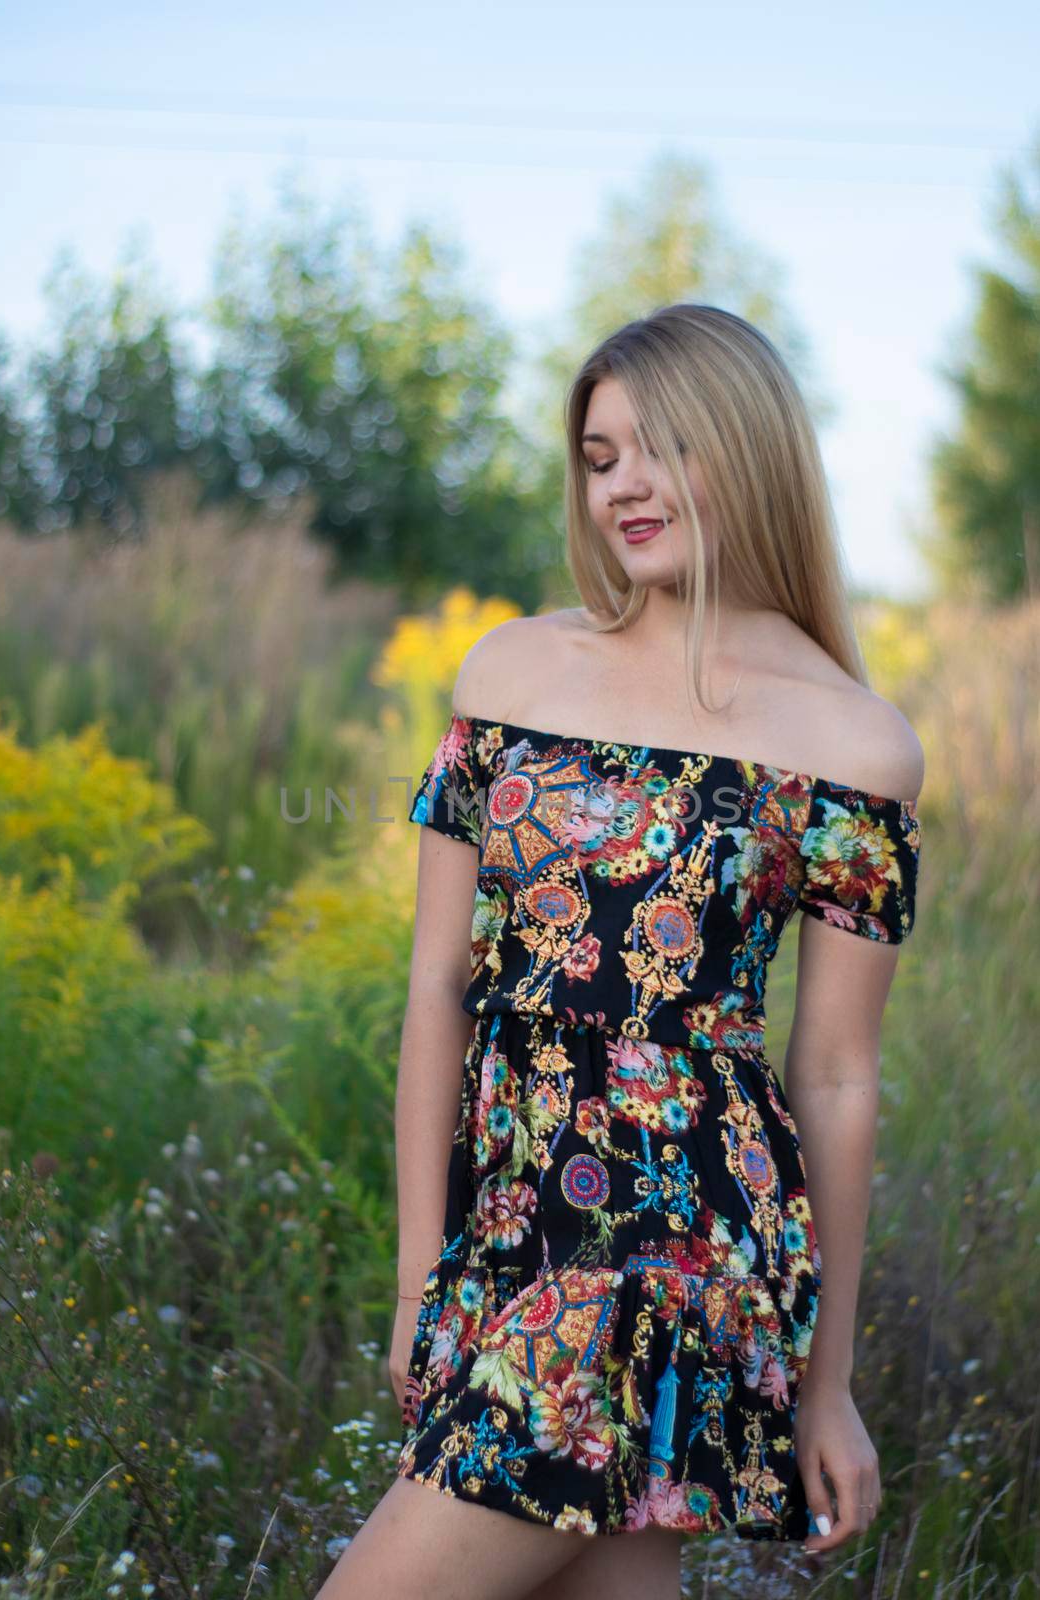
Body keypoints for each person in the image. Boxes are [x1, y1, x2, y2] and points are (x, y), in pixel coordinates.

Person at [319, 303, 923, 1600]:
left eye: (662, 448)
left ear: (749, 451)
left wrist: (831, 1385)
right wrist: (426, 1270)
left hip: (684, 1247)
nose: (624, 488)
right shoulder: (511, 674)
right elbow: (436, 989)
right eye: (599, 459)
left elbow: (835, 1077)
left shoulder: (854, 745)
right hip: (506, 1234)